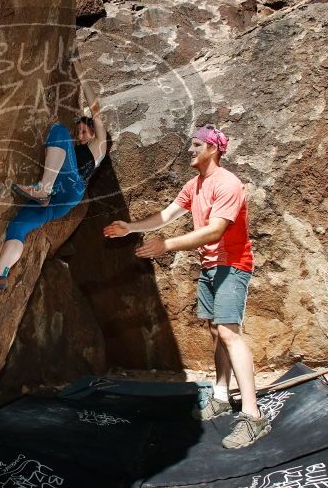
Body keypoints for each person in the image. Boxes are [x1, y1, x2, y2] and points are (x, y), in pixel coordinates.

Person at [102, 124, 269, 449]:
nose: (190, 151)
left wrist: (166, 245)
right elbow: (165, 216)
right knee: (214, 331)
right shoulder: (195, 185)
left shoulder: (228, 184)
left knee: (229, 333)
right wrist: (130, 228)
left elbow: (213, 232)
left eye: (196, 145)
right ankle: (221, 396)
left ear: (213, 149)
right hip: (208, 266)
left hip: (232, 265)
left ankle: (253, 416)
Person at [0, 60, 106, 290]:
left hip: (71, 187)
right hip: (58, 204)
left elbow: (96, 109)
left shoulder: (99, 146)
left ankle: (43, 188)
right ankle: (0, 272)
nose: (81, 136)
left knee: (58, 131)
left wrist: (80, 73)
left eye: (84, 131)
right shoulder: (74, 150)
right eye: (79, 132)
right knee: (18, 226)